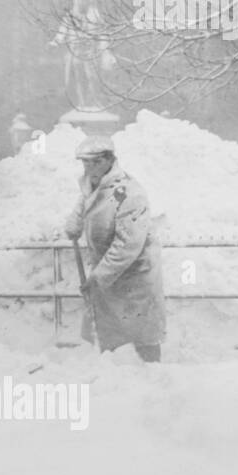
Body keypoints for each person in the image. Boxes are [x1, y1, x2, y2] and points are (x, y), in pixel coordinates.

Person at [64, 134, 165, 362]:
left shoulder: (130, 192)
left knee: (141, 336)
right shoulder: (93, 184)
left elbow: (127, 244)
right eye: (86, 162)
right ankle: (114, 384)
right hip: (110, 276)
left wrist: (99, 277)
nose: (90, 167)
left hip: (134, 277)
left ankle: (153, 382)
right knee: (112, 337)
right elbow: (86, 203)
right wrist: (75, 222)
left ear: (111, 160)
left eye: (96, 162)